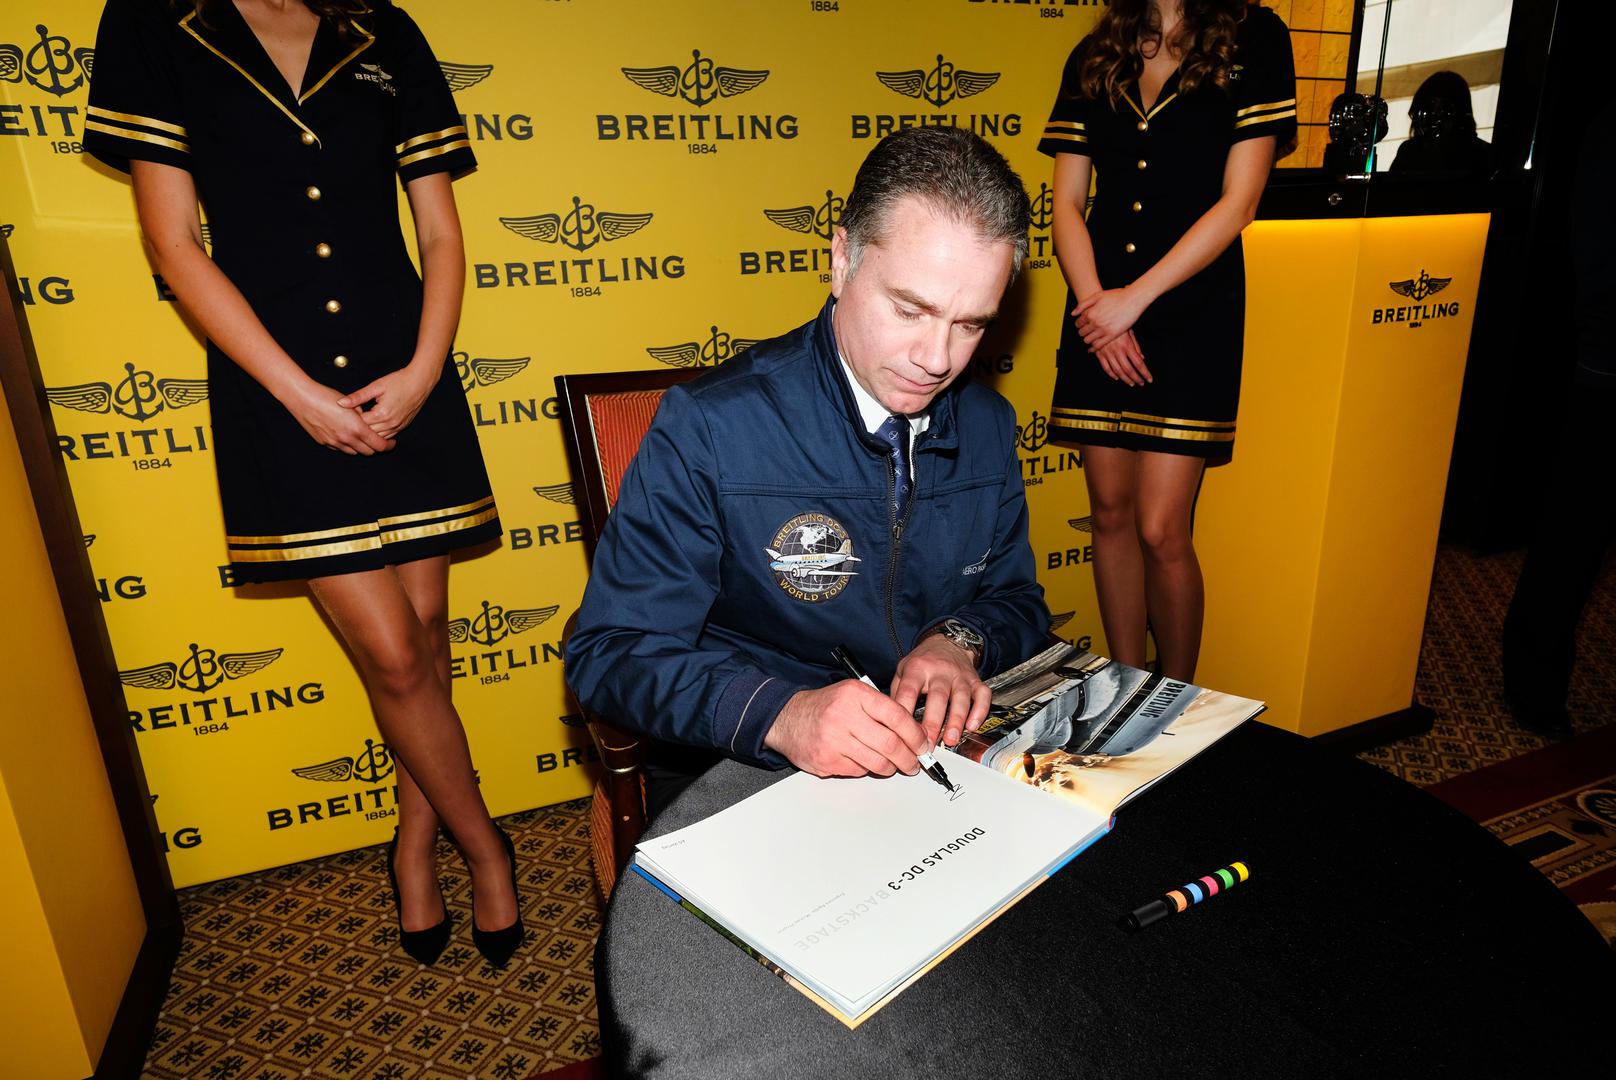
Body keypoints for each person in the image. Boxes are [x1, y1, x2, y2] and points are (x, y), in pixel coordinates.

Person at [84, 0, 521, 967]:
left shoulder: (382, 28)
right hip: (275, 389)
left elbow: (439, 234)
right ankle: (487, 848)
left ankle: (414, 844)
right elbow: (173, 243)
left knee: (426, 636)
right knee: (395, 658)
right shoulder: (155, 23)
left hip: (406, 371)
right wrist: (296, 396)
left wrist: (423, 372)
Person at [565, 127, 1051, 813]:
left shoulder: (988, 424)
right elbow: (613, 651)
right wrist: (781, 713)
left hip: (932, 758)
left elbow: (1016, 599)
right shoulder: (712, 426)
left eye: (971, 324)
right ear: (842, 259)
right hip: (746, 761)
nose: (937, 358)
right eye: (910, 309)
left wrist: (957, 642)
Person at [1037, 0, 1294, 680]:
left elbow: (1240, 202)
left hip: (1190, 313)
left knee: (1160, 527)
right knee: (1110, 514)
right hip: (1097, 310)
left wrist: (1133, 301)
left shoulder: (1255, 37)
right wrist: (1097, 310)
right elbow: (1067, 204)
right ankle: (1127, 689)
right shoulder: (1097, 50)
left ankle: (1176, 701)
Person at [1501, 102, 1616, 739]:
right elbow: (1595, 255)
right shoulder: (1610, 127)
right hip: (1608, 369)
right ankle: (1534, 683)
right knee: (1575, 539)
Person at [1390, 71, 1493, 178]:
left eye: (1444, 109)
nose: (1435, 117)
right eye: (1429, 108)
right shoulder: (1409, 151)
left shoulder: (1482, 154)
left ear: (1460, 114)